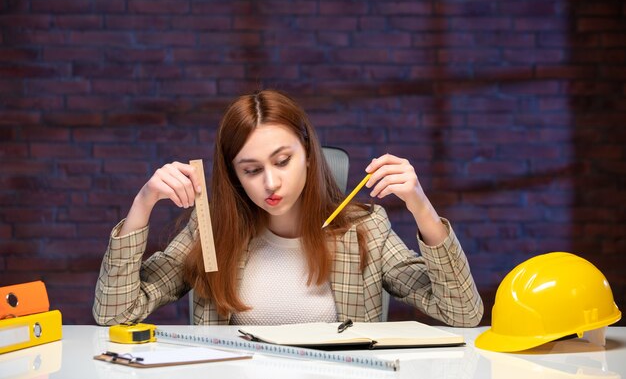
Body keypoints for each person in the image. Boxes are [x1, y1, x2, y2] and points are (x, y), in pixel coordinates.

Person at [93, 89, 483, 327]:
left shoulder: (363, 228)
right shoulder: (211, 229)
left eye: (283, 161)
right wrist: (143, 203)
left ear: (310, 157)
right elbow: (116, 312)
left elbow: (462, 313)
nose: (271, 183)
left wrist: (422, 208)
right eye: (251, 170)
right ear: (234, 176)